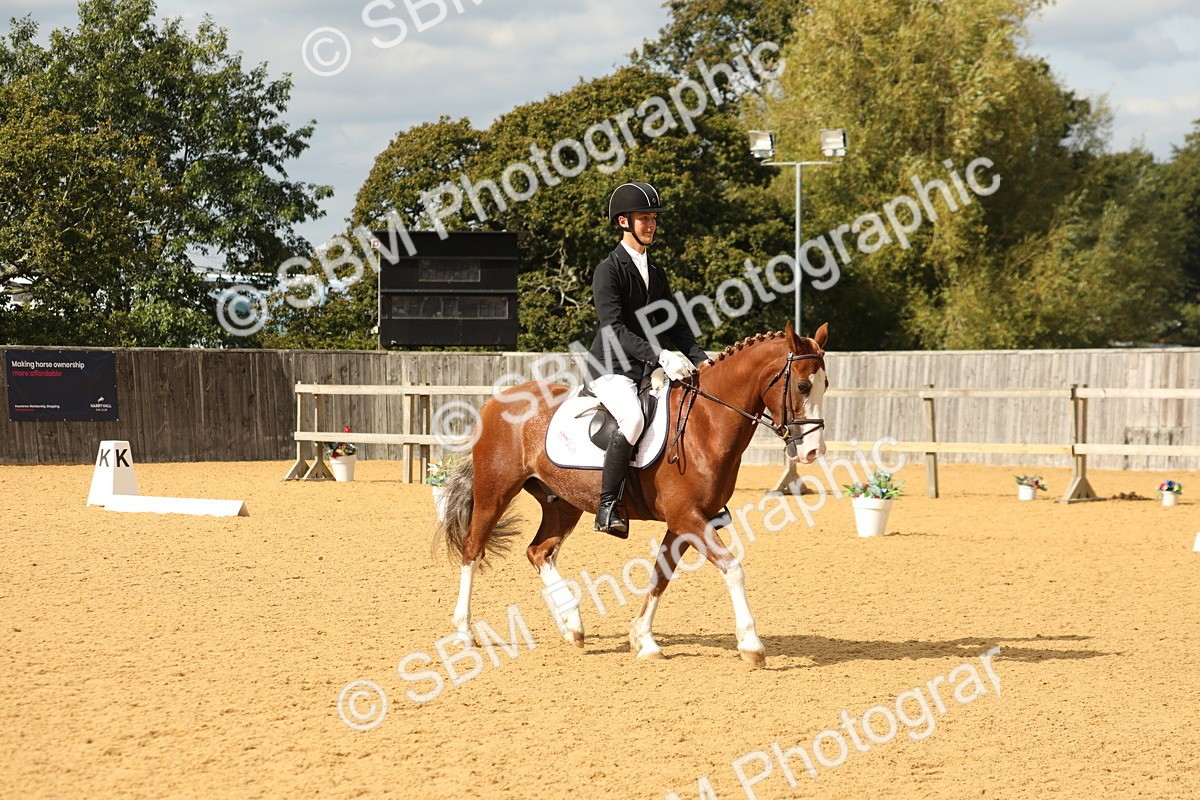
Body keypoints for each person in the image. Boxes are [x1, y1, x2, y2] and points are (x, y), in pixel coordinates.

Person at [586, 181, 709, 538]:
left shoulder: (655, 272)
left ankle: (700, 495)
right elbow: (614, 328)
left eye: (653, 218)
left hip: (645, 367)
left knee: (687, 406)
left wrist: (702, 361)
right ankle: (608, 505)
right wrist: (659, 355)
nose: (651, 225)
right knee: (634, 418)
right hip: (610, 368)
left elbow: (675, 323)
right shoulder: (608, 271)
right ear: (623, 221)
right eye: (644, 218)